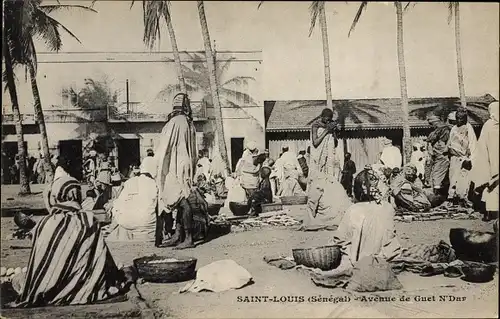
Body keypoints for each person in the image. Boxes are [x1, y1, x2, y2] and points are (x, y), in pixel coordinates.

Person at [13, 156, 126, 307]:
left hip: (47, 288)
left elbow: (39, 263)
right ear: (77, 194)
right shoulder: (88, 220)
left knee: (19, 280)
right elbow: (102, 258)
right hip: (86, 287)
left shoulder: (45, 223)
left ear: (57, 195)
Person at [155, 93, 197, 230]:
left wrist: (159, 165)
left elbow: (165, 147)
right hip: (184, 163)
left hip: (176, 164)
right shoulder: (187, 122)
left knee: (182, 200)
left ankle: (188, 237)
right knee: (180, 200)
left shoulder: (175, 122)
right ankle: (180, 234)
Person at [107, 157, 158, 242]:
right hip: (148, 223)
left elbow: (120, 202)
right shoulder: (155, 183)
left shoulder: (130, 182)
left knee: (117, 205)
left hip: (127, 222)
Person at [160, 173, 210, 249]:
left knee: (183, 204)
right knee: (181, 205)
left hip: (197, 227)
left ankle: (188, 239)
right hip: (197, 225)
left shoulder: (190, 191)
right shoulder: (193, 190)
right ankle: (179, 236)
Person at [472, 101, 499, 221]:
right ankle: (490, 212)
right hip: (492, 160)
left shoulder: (488, 125)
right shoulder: (489, 125)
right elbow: (483, 145)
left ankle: (489, 213)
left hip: (492, 161)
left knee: (492, 187)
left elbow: (481, 145)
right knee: (492, 186)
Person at [447, 108, 477, 206]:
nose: (459, 120)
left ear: (465, 119)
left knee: (463, 179)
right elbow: (450, 142)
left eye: (461, 118)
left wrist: (470, 159)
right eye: (457, 118)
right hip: (454, 158)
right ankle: (452, 199)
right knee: (453, 178)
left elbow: (473, 144)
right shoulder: (454, 128)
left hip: (464, 158)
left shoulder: (468, 128)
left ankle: (463, 198)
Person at [310, 108, 340, 181]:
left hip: (328, 157)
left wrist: (334, 132)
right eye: (326, 119)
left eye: (329, 120)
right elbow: (315, 143)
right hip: (318, 157)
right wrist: (326, 131)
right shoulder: (316, 125)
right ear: (322, 117)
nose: (328, 121)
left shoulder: (331, 125)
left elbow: (335, 144)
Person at [426, 114, 451, 195]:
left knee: (437, 177)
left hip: (443, 157)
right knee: (436, 176)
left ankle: (438, 196)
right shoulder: (436, 131)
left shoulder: (445, 130)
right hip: (438, 157)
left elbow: (444, 145)